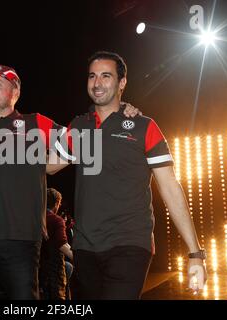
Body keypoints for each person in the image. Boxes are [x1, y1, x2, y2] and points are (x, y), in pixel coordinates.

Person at [0, 64, 139, 300]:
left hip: (20, 243)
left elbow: (82, 138)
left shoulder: (35, 124)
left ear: (15, 93)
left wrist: (119, 110)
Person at [47, 51, 207, 299]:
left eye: (106, 76)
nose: (97, 83)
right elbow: (48, 166)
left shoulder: (144, 126)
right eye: (92, 76)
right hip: (85, 248)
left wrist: (195, 253)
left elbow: (170, 188)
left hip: (130, 244)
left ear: (122, 83)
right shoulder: (78, 127)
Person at [39, 188, 73, 300]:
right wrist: (77, 257)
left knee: (68, 267)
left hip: (35, 264)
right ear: (57, 203)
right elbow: (62, 244)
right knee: (68, 267)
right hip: (51, 267)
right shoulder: (57, 220)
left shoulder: (35, 217)